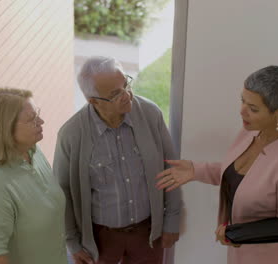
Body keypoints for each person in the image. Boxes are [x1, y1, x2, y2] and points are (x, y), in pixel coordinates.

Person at [156, 65, 278, 264]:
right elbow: (240, 173)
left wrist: (237, 234)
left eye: (253, 108)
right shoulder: (252, 130)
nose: (242, 112)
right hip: (238, 254)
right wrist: (196, 170)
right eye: (242, 101)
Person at [53, 56, 182, 264]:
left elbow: (171, 169)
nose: (127, 95)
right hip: (101, 239)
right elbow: (63, 192)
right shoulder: (71, 134)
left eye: (126, 84)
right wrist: (73, 242)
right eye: (115, 93)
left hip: (147, 235)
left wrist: (172, 221)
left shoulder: (150, 114)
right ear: (93, 101)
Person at [0, 88, 67, 264]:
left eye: (38, 114)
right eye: (32, 119)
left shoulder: (32, 151)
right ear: (5, 128)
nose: (41, 121)